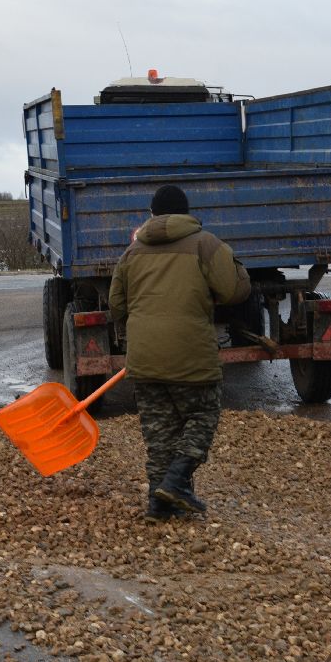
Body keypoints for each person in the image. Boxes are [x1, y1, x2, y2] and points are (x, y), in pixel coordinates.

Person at [109, 184, 251, 520]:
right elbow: (234, 290)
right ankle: (176, 482)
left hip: (144, 360)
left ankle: (159, 506)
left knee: (159, 434)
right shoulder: (205, 244)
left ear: (152, 214)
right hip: (191, 356)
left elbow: (116, 305)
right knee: (202, 416)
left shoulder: (131, 252)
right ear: (186, 213)